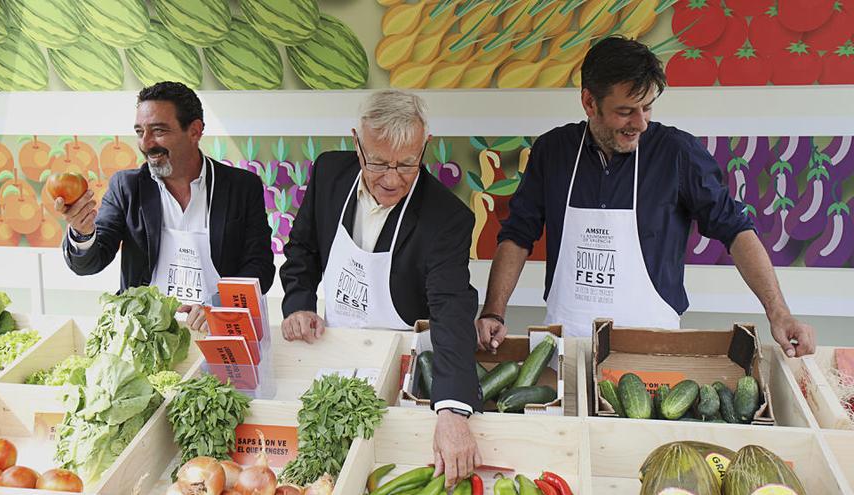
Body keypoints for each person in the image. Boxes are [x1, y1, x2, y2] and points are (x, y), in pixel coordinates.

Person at [476, 36, 815, 357]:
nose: (640, 123)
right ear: (589, 102)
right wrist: (494, 312)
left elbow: (736, 229)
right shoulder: (553, 152)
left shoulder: (676, 153)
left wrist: (780, 313)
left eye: (647, 108)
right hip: (565, 343)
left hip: (654, 347)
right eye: (626, 111)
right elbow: (518, 235)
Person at [280, 90, 481, 486]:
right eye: (378, 162)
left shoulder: (447, 217)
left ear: (425, 147)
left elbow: (451, 308)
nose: (391, 179)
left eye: (407, 164)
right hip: (330, 347)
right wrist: (299, 303)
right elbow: (303, 248)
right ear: (357, 143)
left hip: (401, 365)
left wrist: (453, 410)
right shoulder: (328, 173)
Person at [58, 81, 275, 331]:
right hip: (146, 336)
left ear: (194, 131)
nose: (146, 143)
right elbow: (90, 263)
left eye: (158, 131)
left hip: (221, 330)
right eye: (140, 132)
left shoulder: (241, 186)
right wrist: (83, 233)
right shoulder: (127, 187)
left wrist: (221, 305)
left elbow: (260, 266)